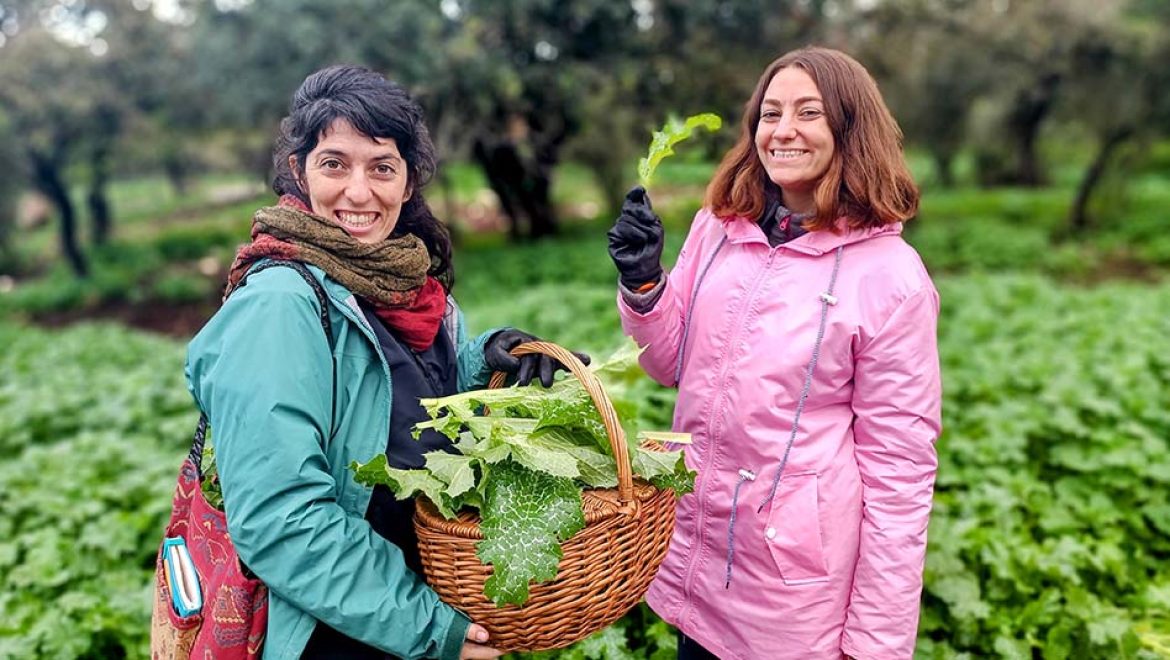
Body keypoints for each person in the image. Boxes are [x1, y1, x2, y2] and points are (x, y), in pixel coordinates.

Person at [186, 65, 584, 660]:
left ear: (406, 181)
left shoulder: (403, 283)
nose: (359, 191)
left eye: (381, 167)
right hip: (337, 632)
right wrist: (430, 629)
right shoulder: (279, 305)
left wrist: (484, 360)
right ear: (298, 171)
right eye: (334, 164)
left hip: (397, 610)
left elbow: (394, 400)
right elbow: (281, 519)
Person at [607, 47, 942, 659]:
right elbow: (669, 363)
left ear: (849, 130)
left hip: (791, 598)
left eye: (808, 113)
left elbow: (900, 476)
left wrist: (876, 646)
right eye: (770, 112)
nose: (782, 130)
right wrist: (646, 285)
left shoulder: (892, 277)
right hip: (695, 562)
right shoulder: (719, 225)